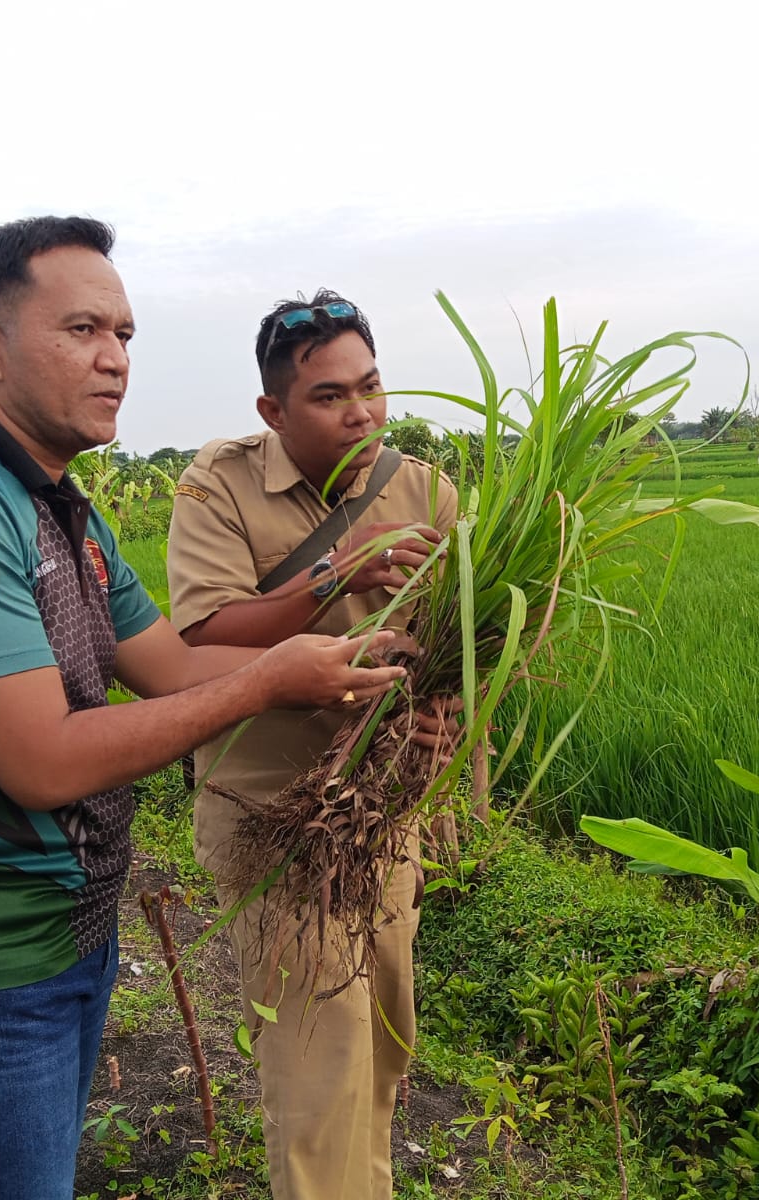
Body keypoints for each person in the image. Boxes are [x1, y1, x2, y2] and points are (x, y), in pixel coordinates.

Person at [0, 219, 406, 1200]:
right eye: (84, 330)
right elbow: (43, 763)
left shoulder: (68, 515)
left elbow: (178, 668)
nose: (114, 360)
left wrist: (353, 654)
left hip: (66, 929)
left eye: (126, 336)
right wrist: (270, 680)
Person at [167, 290, 458, 1200]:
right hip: (276, 815)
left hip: (382, 813)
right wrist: (343, 568)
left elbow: (468, 636)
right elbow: (204, 637)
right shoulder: (218, 483)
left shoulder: (426, 490)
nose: (361, 412)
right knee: (317, 1062)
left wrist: (448, 712)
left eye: (371, 387)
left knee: (384, 1035)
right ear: (273, 411)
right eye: (331, 397)